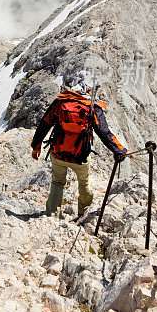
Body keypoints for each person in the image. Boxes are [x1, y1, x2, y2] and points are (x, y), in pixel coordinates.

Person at [30, 84, 130, 216]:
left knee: (57, 183)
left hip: (58, 153)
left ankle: (51, 215)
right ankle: (83, 214)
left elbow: (45, 123)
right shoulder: (93, 107)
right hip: (80, 156)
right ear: (89, 91)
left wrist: (36, 147)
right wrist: (119, 150)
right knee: (84, 183)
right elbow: (104, 132)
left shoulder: (60, 102)